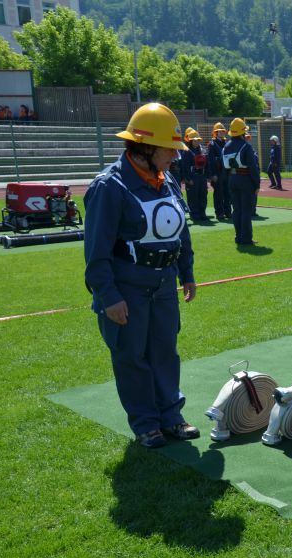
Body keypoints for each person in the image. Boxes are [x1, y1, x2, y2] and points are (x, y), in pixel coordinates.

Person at [83, 102, 198, 449]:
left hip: (163, 285)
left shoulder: (167, 181)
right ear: (145, 148)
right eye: (168, 150)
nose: (174, 157)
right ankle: (146, 423)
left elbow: (181, 232)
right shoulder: (109, 187)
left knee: (165, 351)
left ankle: (170, 416)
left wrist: (186, 273)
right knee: (132, 356)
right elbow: (96, 252)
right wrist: (108, 296)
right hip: (127, 288)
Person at [222, 118, 261, 245]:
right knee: (246, 211)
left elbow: (224, 166)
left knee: (237, 210)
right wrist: (257, 184)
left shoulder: (226, 146)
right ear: (242, 132)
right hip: (245, 180)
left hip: (232, 179)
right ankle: (246, 238)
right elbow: (253, 167)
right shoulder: (246, 146)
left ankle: (238, 236)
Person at [179, 127, 209, 222]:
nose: (196, 142)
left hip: (202, 176)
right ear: (190, 141)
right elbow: (184, 167)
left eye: (198, 140)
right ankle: (194, 214)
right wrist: (188, 179)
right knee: (193, 197)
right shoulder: (187, 152)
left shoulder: (202, 150)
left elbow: (207, 164)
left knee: (203, 195)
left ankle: (202, 213)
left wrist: (207, 176)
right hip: (193, 177)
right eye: (194, 140)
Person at [207, 122, 231, 221]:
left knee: (227, 193)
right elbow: (211, 161)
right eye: (219, 131)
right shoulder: (212, 144)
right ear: (215, 133)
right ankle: (219, 213)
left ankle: (228, 212)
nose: (221, 133)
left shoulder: (226, 143)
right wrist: (213, 174)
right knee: (218, 194)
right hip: (217, 172)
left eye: (222, 131)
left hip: (227, 172)